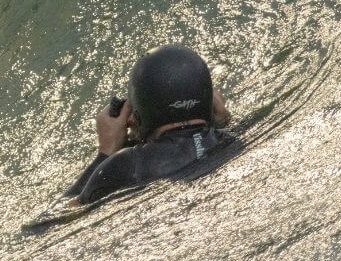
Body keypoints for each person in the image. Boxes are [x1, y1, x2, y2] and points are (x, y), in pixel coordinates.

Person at [64, 44, 233, 206]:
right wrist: (222, 122)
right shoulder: (233, 141)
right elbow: (199, 149)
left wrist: (105, 153)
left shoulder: (127, 165)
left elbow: (51, 223)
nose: (129, 120)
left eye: (132, 108)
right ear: (210, 101)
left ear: (141, 113)